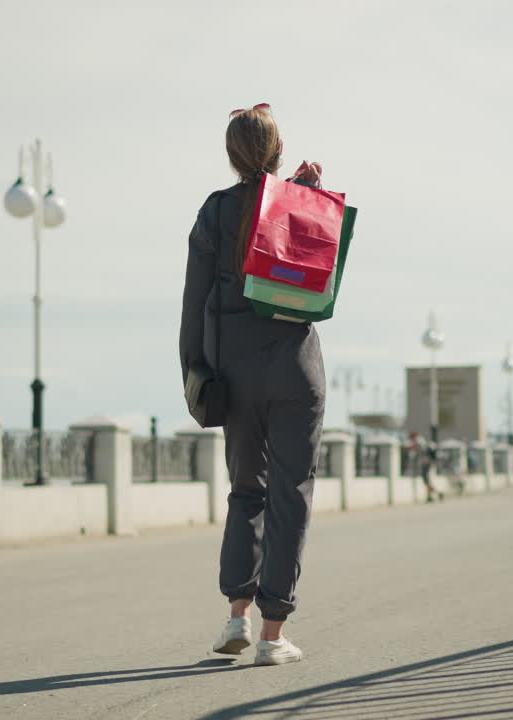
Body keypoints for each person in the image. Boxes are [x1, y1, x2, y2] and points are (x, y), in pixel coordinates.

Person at [179, 104, 325, 666]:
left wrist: (196, 370)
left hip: (234, 371)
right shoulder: (300, 201)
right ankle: (272, 636)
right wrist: (306, 194)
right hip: (295, 368)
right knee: (291, 495)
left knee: (246, 491)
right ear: (279, 150)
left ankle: (235, 617)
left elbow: (195, 302)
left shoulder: (214, 212)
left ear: (231, 155)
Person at [406, 430, 443, 503]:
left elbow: (416, 449)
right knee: (427, 480)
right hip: (427, 462)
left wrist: (409, 447)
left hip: (425, 463)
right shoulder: (421, 440)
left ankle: (437, 493)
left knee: (426, 480)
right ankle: (430, 496)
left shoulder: (418, 441)